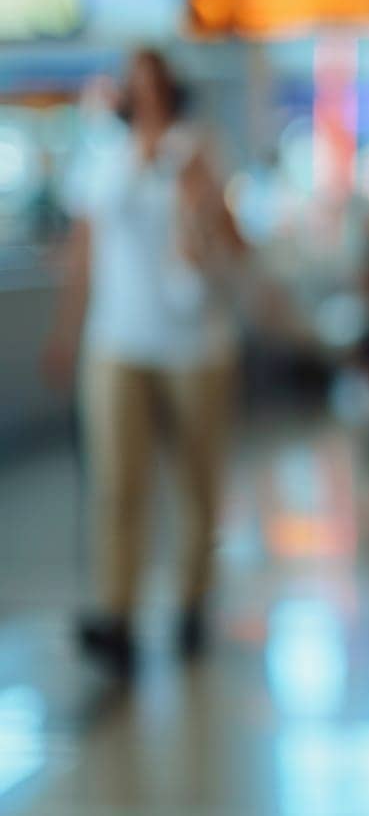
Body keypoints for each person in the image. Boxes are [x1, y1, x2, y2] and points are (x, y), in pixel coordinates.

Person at [43, 48, 247, 675]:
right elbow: (84, 255)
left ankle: (190, 603)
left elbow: (236, 245)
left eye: (152, 80)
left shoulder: (197, 148)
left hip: (194, 346)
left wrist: (204, 202)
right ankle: (119, 614)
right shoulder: (101, 158)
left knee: (195, 485)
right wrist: (66, 333)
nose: (143, 92)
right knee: (118, 484)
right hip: (118, 341)